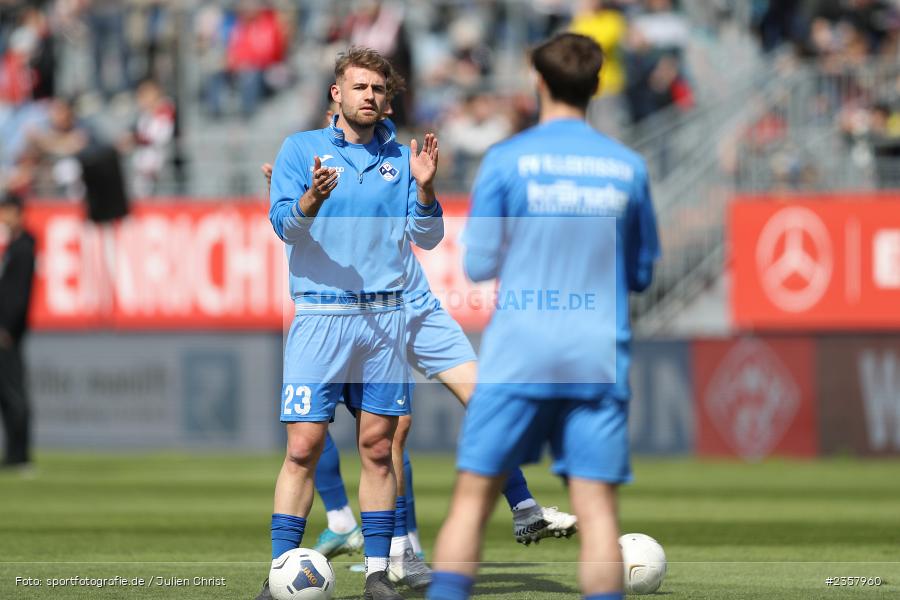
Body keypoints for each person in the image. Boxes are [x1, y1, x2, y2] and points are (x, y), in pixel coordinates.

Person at [427, 32, 660, 600]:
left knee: (471, 503)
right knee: (598, 512)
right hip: (594, 355)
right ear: (598, 85)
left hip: (519, 354)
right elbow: (641, 274)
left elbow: (479, 263)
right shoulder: (627, 167)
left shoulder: (506, 159)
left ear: (538, 81)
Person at [259, 46, 443, 600]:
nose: (370, 96)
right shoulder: (301, 149)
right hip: (320, 316)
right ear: (336, 93)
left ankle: (378, 575)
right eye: (359, 87)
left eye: (378, 89)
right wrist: (311, 199)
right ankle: (280, 573)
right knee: (302, 448)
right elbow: (283, 228)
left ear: (388, 99)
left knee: (379, 448)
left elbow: (427, 238)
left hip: (384, 318)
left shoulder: (401, 157)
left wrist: (428, 189)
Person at [0, 191, 36, 472]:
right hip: (7, 329)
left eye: (6, 210)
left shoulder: (23, 246)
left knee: (13, 392)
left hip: (8, 332)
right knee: (7, 392)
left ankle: (20, 455)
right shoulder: (14, 245)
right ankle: (13, 454)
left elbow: (18, 295)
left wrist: (6, 327)